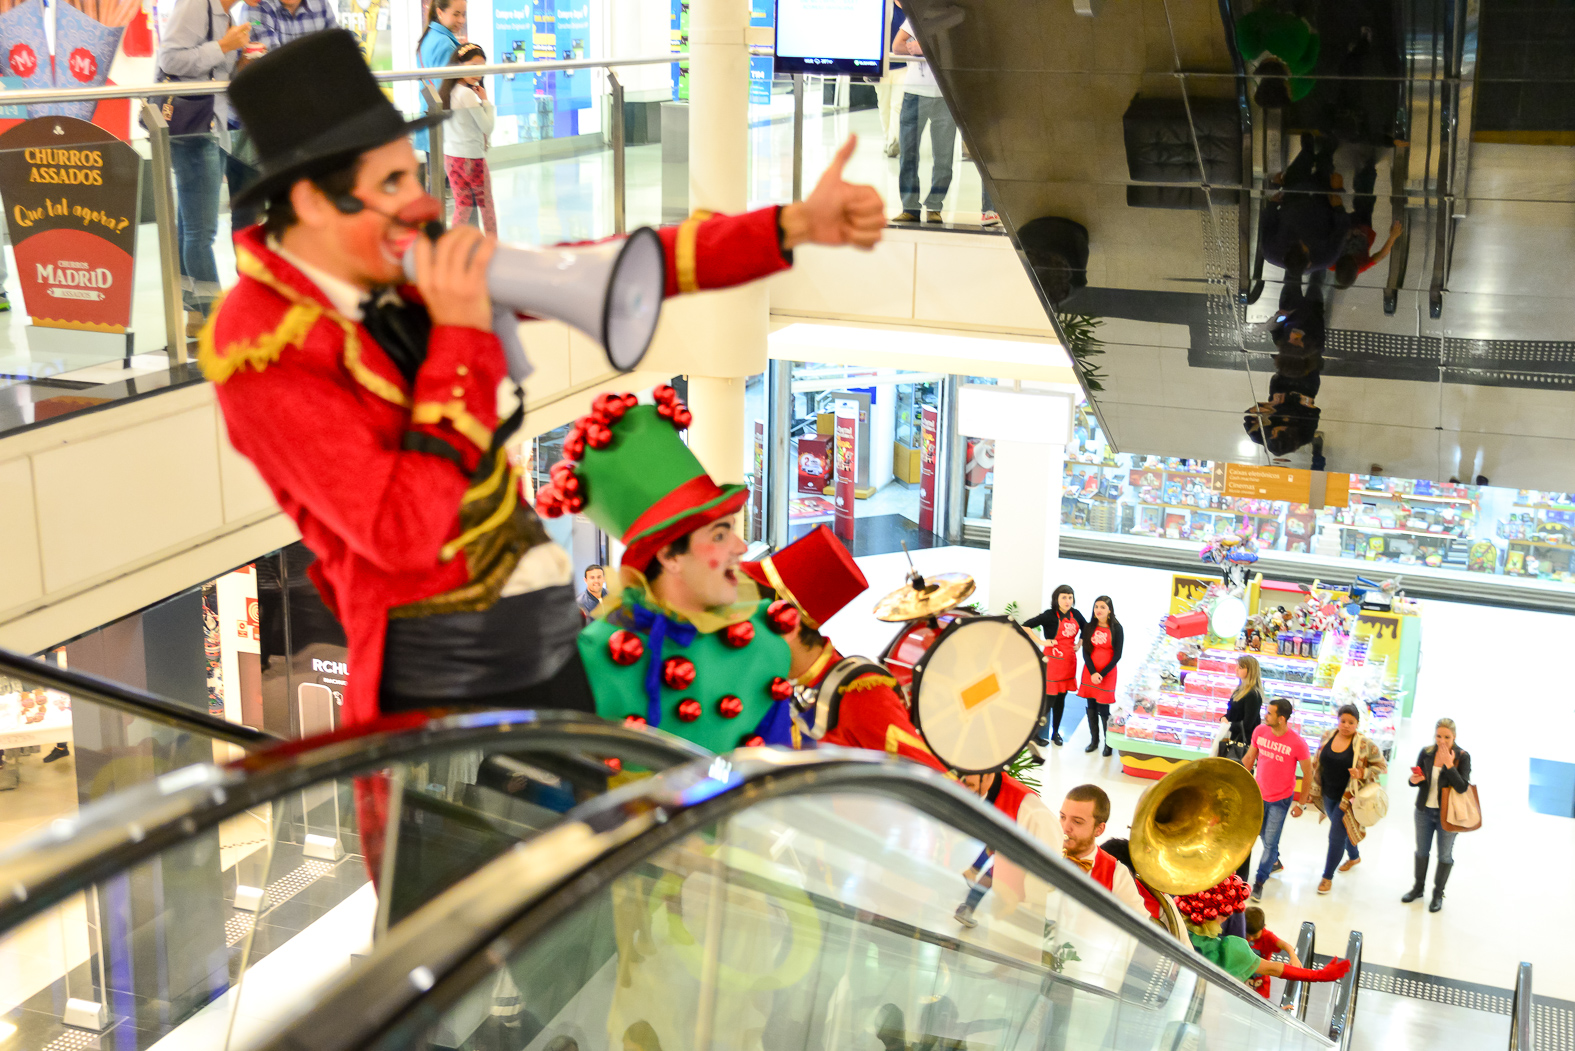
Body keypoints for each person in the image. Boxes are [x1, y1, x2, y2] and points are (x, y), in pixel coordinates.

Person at [202, 31, 886, 730]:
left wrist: (789, 227)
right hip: (443, 668)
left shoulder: (385, 265)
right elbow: (402, 532)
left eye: (414, 174)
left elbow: (591, 264)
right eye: (391, 185)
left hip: (538, 633)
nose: (423, 203)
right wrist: (462, 334)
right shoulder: (263, 347)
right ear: (316, 203)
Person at [740, 526, 948, 769]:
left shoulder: (861, 693)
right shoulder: (772, 680)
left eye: (748, 618)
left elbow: (930, 780)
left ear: (788, 623)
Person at [157, 0, 252, 332]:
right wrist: (223, 46)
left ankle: (196, 313)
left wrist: (240, 59)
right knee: (201, 232)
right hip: (192, 127)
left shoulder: (228, 14)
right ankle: (218, 321)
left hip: (212, 124)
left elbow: (217, 73)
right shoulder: (195, 5)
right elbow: (169, 59)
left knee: (191, 226)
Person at [955, 781, 1145, 928]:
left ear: (1099, 829)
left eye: (1077, 822)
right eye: (1062, 817)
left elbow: (1142, 926)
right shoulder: (1043, 842)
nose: (1065, 827)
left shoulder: (1116, 874)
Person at [1175, 876, 1349, 991]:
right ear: (1215, 914)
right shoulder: (1228, 951)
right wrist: (1320, 975)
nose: (1227, 917)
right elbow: (1274, 968)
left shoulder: (1172, 919)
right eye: (1225, 913)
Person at [1305, 703, 1387, 894]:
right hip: (1328, 794)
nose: (1346, 725)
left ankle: (1327, 877)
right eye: (1343, 721)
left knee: (1335, 837)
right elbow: (1318, 761)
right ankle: (1354, 856)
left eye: (1351, 722)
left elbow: (1381, 766)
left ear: (1357, 723)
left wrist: (1362, 772)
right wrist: (1312, 789)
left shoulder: (1365, 744)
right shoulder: (1328, 736)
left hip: (1348, 798)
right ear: (1338, 720)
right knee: (1344, 830)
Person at [1242, 697, 1313, 901]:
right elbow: (1249, 758)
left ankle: (1259, 882)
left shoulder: (1297, 743)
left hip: (1280, 800)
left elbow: (1308, 773)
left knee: (1270, 842)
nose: (1265, 715)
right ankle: (1274, 862)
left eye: (1270, 713)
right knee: (1262, 836)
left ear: (1281, 719)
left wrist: (1302, 804)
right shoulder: (1260, 732)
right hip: (1258, 795)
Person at [1404, 717, 1471, 913]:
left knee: (1444, 854)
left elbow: (1462, 787)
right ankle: (1418, 888)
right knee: (1421, 851)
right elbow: (1417, 781)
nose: (1442, 741)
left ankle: (1437, 894)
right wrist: (1413, 779)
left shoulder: (1462, 756)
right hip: (1424, 810)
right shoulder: (1426, 753)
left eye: (1447, 737)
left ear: (1454, 737)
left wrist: (1450, 766)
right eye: (1438, 736)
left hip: (1448, 815)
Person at [891, 19, 954, 224]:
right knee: (908, 154)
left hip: (945, 95)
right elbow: (897, 46)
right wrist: (917, 49)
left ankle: (935, 206)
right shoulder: (915, 17)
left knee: (943, 157)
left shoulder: (952, 18)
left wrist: (925, 48)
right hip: (914, 94)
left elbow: (959, 50)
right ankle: (910, 208)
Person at [439, 42, 496, 235]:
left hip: (451, 158)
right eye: (473, 67)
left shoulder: (448, 90)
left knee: (462, 206)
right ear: (459, 65)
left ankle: (451, 245)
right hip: (472, 159)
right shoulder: (467, 94)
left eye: (481, 69)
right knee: (486, 206)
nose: (478, 74)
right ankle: (493, 247)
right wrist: (486, 101)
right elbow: (488, 127)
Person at [1022, 584, 1085, 756]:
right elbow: (1025, 625)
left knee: (1061, 701)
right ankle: (1033, 735)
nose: (1067, 601)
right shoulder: (1049, 615)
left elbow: (1086, 630)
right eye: (1063, 597)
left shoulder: (1076, 614)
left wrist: (1079, 644)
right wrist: (1042, 642)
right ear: (1056, 599)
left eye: (1070, 597)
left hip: (1069, 663)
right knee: (1048, 702)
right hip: (1053, 662)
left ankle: (1055, 732)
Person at [1331, 156, 1402, 288]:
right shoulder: (1361, 266)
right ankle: (1368, 172)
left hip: (1341, 226)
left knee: (1356, 201)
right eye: (1354, 260)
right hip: (1363, 229)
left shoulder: (1330, 262)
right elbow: (1380, 256)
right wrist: (1392, 237)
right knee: (1364, 201)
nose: (1353, 258)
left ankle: (1362, 180)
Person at [1233, 9, 1320, 108]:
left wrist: (1273, 12)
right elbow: (1309, 62)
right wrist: (1314, 34)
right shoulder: (1292, 71)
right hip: (1306, 16)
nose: (1288, 77)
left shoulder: (1250, 50)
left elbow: (1245, 25)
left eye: (1285, 80)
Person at [414, 0, 465, 159]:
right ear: (440, 12)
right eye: (456, 14)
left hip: (430, 123)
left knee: (435, 180)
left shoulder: (430, 36)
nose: (461, 20)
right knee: (445, 182)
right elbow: (448, 92)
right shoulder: (445, 44)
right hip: (444, 131)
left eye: (463, 14)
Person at [1079, 595, 1122, 757]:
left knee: (1104, 710)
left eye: (1102, 607)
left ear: (1109, 610)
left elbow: (1118, 655)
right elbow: (1086, 652)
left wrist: (1101, 674)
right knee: (1091, 707)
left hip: (1107, 675)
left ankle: (1108, 744)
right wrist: (1092, 673)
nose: (1098, 610)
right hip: (1090, 673)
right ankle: (1094, 741)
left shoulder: (1117, 628)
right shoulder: (1089, 627)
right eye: (1096, 607)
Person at [1243, 906, 1302, 998]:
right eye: (1248, 935)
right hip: (1242, 977)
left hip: (1260, 983)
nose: (1250, 938)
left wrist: (1293, 956)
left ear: (1264, 927)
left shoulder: (1268, 937)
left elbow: (1285, 945)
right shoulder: (1241, 932)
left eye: (1255, 935)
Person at [243, 0, 337, 50]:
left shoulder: (321, 3)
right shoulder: (258, 4)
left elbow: (338, 45)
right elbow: (272, 59)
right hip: (277, 82)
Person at [1223, 654, 1263, 757]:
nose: (1236, 669)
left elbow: (1247, 724)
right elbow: (1232, 712)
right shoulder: (1239, 690)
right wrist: (1224, 718)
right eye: (1237, 666)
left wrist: (1229, 724)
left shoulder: (1253, 695)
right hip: (1234, 738)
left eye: (1241, 667)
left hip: (1243, 742)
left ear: (1250, 670)